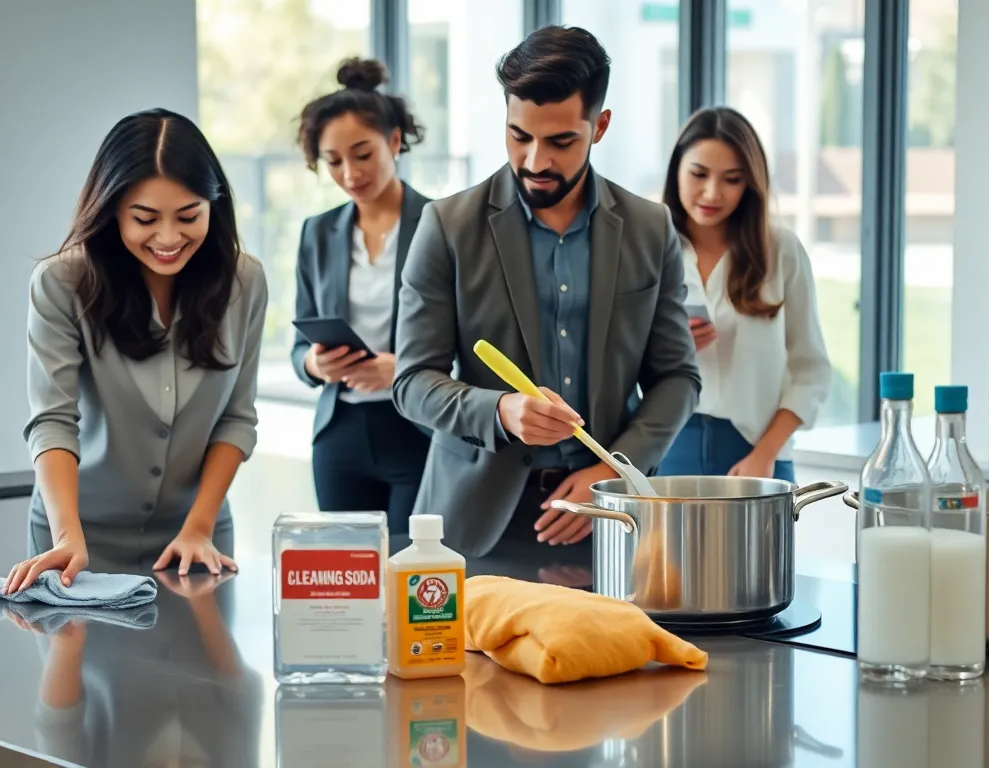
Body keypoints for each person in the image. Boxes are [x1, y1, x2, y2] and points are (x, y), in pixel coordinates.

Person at [392, 26, 701, 558]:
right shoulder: (446, 226)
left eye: (561, 142)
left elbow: (677, 376)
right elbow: (412, 381)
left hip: (610, 516)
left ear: (599, 126)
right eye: (519, 136)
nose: (535, 161)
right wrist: (500, 411)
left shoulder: (651, 229)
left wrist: (615, 469)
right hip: (476, 517)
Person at [2, 108, 268, 593]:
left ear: (215, 205)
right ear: (112, 212)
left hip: (196, 538)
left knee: (209, 672)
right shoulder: (63, 284)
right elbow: (54, 420)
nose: (168, 238)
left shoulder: (244, 281)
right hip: (78, 542)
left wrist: (199, 525)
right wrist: (67, 534)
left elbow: (237, 417)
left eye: (189, 216)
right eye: (145, 219)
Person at [289, 58, 432, 534]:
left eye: (362, 154)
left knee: (412, 577)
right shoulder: (318, 233)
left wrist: (405, 368)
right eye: (333, 161)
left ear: (394, 142)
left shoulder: (440, 226)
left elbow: (474, 338)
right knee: (348, 586)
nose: (350, 173)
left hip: (416, 429)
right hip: (339, 436)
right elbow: (297, 346)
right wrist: (314, 364)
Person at [657, 106, 832, 483]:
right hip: (667, 448)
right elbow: (617, 368)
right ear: (677, 172)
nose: (712, 192)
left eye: (732, 179)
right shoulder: (647, 248)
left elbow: (811, 370)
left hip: (759, 452)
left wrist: (765, 454)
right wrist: (670, 348)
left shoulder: (780, 250)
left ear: (750, 183)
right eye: (699, 174)